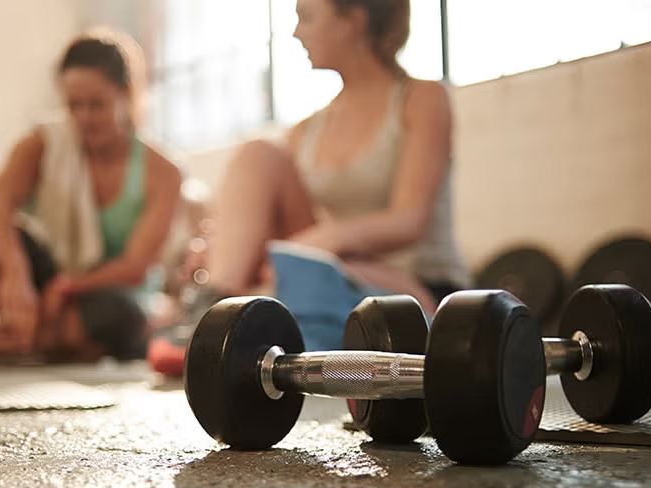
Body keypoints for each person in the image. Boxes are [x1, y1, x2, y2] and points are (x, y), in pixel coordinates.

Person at [148, 0, 470, 374]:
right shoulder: (308, 129)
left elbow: (409, 220)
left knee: (288, 261)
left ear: (354, 20)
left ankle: (218, 326)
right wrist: (218, 248)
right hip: (330, 271)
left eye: (307, 17)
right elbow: (268, 222)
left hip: (414, 286)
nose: (296, 32)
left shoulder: (422, 98)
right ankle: (212, 310)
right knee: (257, 154)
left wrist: (319, 241)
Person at [0, 30, 182, 370]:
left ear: (127, 95)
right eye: (73, 105)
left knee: (114, 318)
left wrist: (65, 287)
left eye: (96, 105)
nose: (83, 117)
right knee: (12, 245)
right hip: (48, 273)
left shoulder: (163, 172)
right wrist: (15, 273)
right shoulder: (42, 143)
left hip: (110, 295)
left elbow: (135, 267)